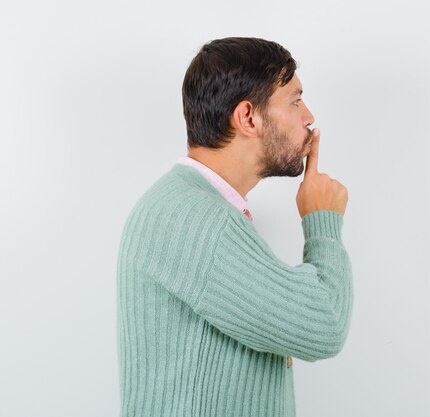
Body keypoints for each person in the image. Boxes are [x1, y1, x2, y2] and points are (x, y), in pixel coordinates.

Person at [116, 37, 353, 417]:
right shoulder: (196, 219)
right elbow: (323, 323)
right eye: (294, 101)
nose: (309, 117)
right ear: (248, 117)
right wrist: (321, 221)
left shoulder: (189, 205)